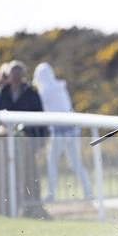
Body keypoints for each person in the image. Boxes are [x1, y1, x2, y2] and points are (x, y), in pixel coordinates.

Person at [0, 61, 50, 219]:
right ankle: (9, 208)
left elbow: (40, 117)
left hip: (28, 143)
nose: (16, 78)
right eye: (13, 75)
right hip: (7, 144)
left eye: (19, 75)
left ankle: (32, 206)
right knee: (8, 177)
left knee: (30, 176)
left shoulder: (31, 93)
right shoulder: (2, 92)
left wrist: (40, 142)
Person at [33, 62, 94, 202]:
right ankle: (88, 191)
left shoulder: (45, 91)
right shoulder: (60, 87)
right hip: (72, 130)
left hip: (59, 132)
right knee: (75, 163)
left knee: (52, 163)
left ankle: (51, 194)